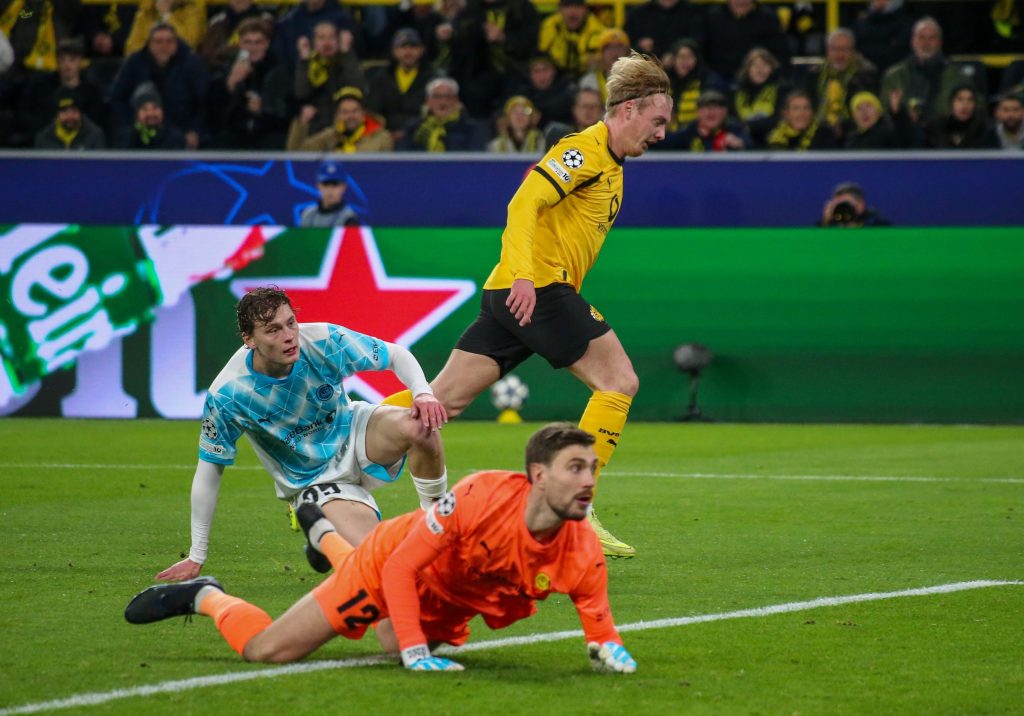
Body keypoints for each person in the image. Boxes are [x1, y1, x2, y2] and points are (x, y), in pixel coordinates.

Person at [384, 52, 673, 559]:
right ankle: (574, 509)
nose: (662, 134)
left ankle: (333, 459)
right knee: (619, 381)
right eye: (658, 121)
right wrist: (524, 276)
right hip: (537, 287)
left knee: (441, 401)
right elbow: (523, 202)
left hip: (515, 292)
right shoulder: (583, 150)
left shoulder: (612, 162)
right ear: (629, 109)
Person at [126, 423, 639, 675]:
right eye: (576, 468)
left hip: (448, 598)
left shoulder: (583, 549)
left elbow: (600, 626)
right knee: (268, 651)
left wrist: (611, 651)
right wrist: (417, 653)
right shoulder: (481, 497)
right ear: (538, 475)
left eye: (592, 469)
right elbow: (399, 567)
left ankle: (321, 532)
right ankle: (207, 596)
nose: (589, 480)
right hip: (388, 566)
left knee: (390, 641)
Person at [153, 286, 449, 582]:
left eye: (290, 323)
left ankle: (436, 524)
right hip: (313, 479)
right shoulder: (228, 394)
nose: (288, 336)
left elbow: (394, 355)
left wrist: (422, 393)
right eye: (273, 330)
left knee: (420, 427)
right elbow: (209, 471)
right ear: (249, 340)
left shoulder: (322, 340)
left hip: (354, 432)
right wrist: (197, 555)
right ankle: (317, 529)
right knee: (377, 560)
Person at [110, 22, 208, 149]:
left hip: (182, 132)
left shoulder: (192, 64)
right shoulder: (135, 62)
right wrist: (129, 128)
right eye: (158, 42)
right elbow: (118, 98)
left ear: (176, 44)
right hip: (140, 132)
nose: (163, 46)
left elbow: (205, 102)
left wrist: (195, 130)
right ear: (149, 44)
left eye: (169, 41)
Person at [205, 17, 293, 150]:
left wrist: (263, 110)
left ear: (267, 44)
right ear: (240, 43)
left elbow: (287, 115)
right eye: (247, 42)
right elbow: (212, 115)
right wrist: (230, 84)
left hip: (268, 135)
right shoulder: (224, 69)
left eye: (258, 42)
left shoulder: (280, 72)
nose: (252, 48)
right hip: (233, 136)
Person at [880, 16, 979, 127]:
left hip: (944, 134)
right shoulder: (894, 76)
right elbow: (885, 113)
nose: (926, 43)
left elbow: (976, 109)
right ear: (913, 41)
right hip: (903, 133)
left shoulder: (957, 77)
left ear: (940, 42)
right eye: (921, 37)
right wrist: (899, 115)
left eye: (931, 38)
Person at [364, 27, 437, 144]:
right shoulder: (381, 77)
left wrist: (409, 133)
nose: (408, 52)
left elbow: (435, 113)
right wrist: (385, 134)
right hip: (385, 137)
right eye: (403, 47)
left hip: (421, 137)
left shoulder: (433, 79)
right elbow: (372, 111)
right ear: (394, 50)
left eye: (413, 47)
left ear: (422, 50)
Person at [292, 20, 364, 134]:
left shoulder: (346, 60)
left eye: (331, 37)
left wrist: (346, 54)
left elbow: (357, 86)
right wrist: (304, 61)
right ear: (314, 43)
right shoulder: (309, 64)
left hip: (345, 121)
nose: (327, 42)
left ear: (338, 41)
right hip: (317, 123)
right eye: (321, 38)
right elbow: (301, 93)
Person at [702, 0, 790, 81]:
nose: (741, 1)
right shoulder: (713, 15)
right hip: (719, 77)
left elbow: (781, 52)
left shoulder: (767, 17)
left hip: (758, 79)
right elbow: (702, 49)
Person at [288, 85, 393, 152]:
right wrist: (302, 123)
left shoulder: (381, 137)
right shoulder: (330, 136)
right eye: (345, 112)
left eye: (355, 111)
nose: (350, 116)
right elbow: (296, 152)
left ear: (363, 113)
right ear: (338, 115)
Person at [396, 76, 487, 151]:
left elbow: (475, 159)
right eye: (437, 97)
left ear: (456, 101)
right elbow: (403, 157)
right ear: (428, 101)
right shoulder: (413, 127)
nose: (443, 102)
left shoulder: (471, 128)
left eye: (448, 97)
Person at [656, 88, 750, 151]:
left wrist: (740, 144)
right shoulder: (689, 132)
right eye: (706, 107)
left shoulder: (735, 129)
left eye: (716, 107)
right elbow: (662, 144)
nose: (711, 112)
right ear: (698, 112)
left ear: (725, 111)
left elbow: (752, 147)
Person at [537, 0, 607, 79]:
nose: (572, 12)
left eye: (578, 7)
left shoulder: (597, 31)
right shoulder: (550, 26)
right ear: (559, 10)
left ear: (586, 10)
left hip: (585, 75)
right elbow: (540, 54)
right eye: (567, 7)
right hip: (555, 75)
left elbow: (603, 61)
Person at [731, 46, 783, 148]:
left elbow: (779, 120)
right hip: (742, 141)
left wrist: (750, 126)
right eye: (755, 65)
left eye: (765, 65)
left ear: (772, 69)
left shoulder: (781, 91)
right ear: (747, 69)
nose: (760, 70)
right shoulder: (736, 92)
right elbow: (732, 119)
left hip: (771, 140)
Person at [113, 82, 187, 149]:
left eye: (155, 108)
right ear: (137, 114)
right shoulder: (125, 139)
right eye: (145, 109)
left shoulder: (175, 138)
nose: (151, 113)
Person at [623, 0, 703, 62]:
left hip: (684, 71)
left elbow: (699, 42)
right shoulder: (638, 14)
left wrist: (675, 54)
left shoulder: (694, 13)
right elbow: (625, 42)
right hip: (645, 67)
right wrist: (639, 44)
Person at [124, 0, 208, 56]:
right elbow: (130, 49)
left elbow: (188, 43)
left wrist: (166, 15)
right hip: (148, 66)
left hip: (181, 66)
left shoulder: (192, 11)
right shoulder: (146, 12)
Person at [33, 87, 107, 149]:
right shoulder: (43, 138)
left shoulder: (94, 135)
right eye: (64, 112)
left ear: (80, 113)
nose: (70, 116)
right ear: (57, 114)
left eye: (74, 111)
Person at [766, 88, 838, 150]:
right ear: (786, 114)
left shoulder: (824, 135)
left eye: (806, 108)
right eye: (796, 108)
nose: (802, 113)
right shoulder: (774, 136)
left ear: (812, 113)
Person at [579, 28, 630, 106]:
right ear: (601, 53)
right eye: (609, 48)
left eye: (619, 47)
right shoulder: (589, 81)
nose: (614, 52)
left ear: (627, 52)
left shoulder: (636, 80)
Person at [818, 181, 890, 227]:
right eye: (839, 205)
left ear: (860, 205)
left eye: (846, 205)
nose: (843, 210)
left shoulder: (879, 227)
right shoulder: (827, 226)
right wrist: (825, 224)